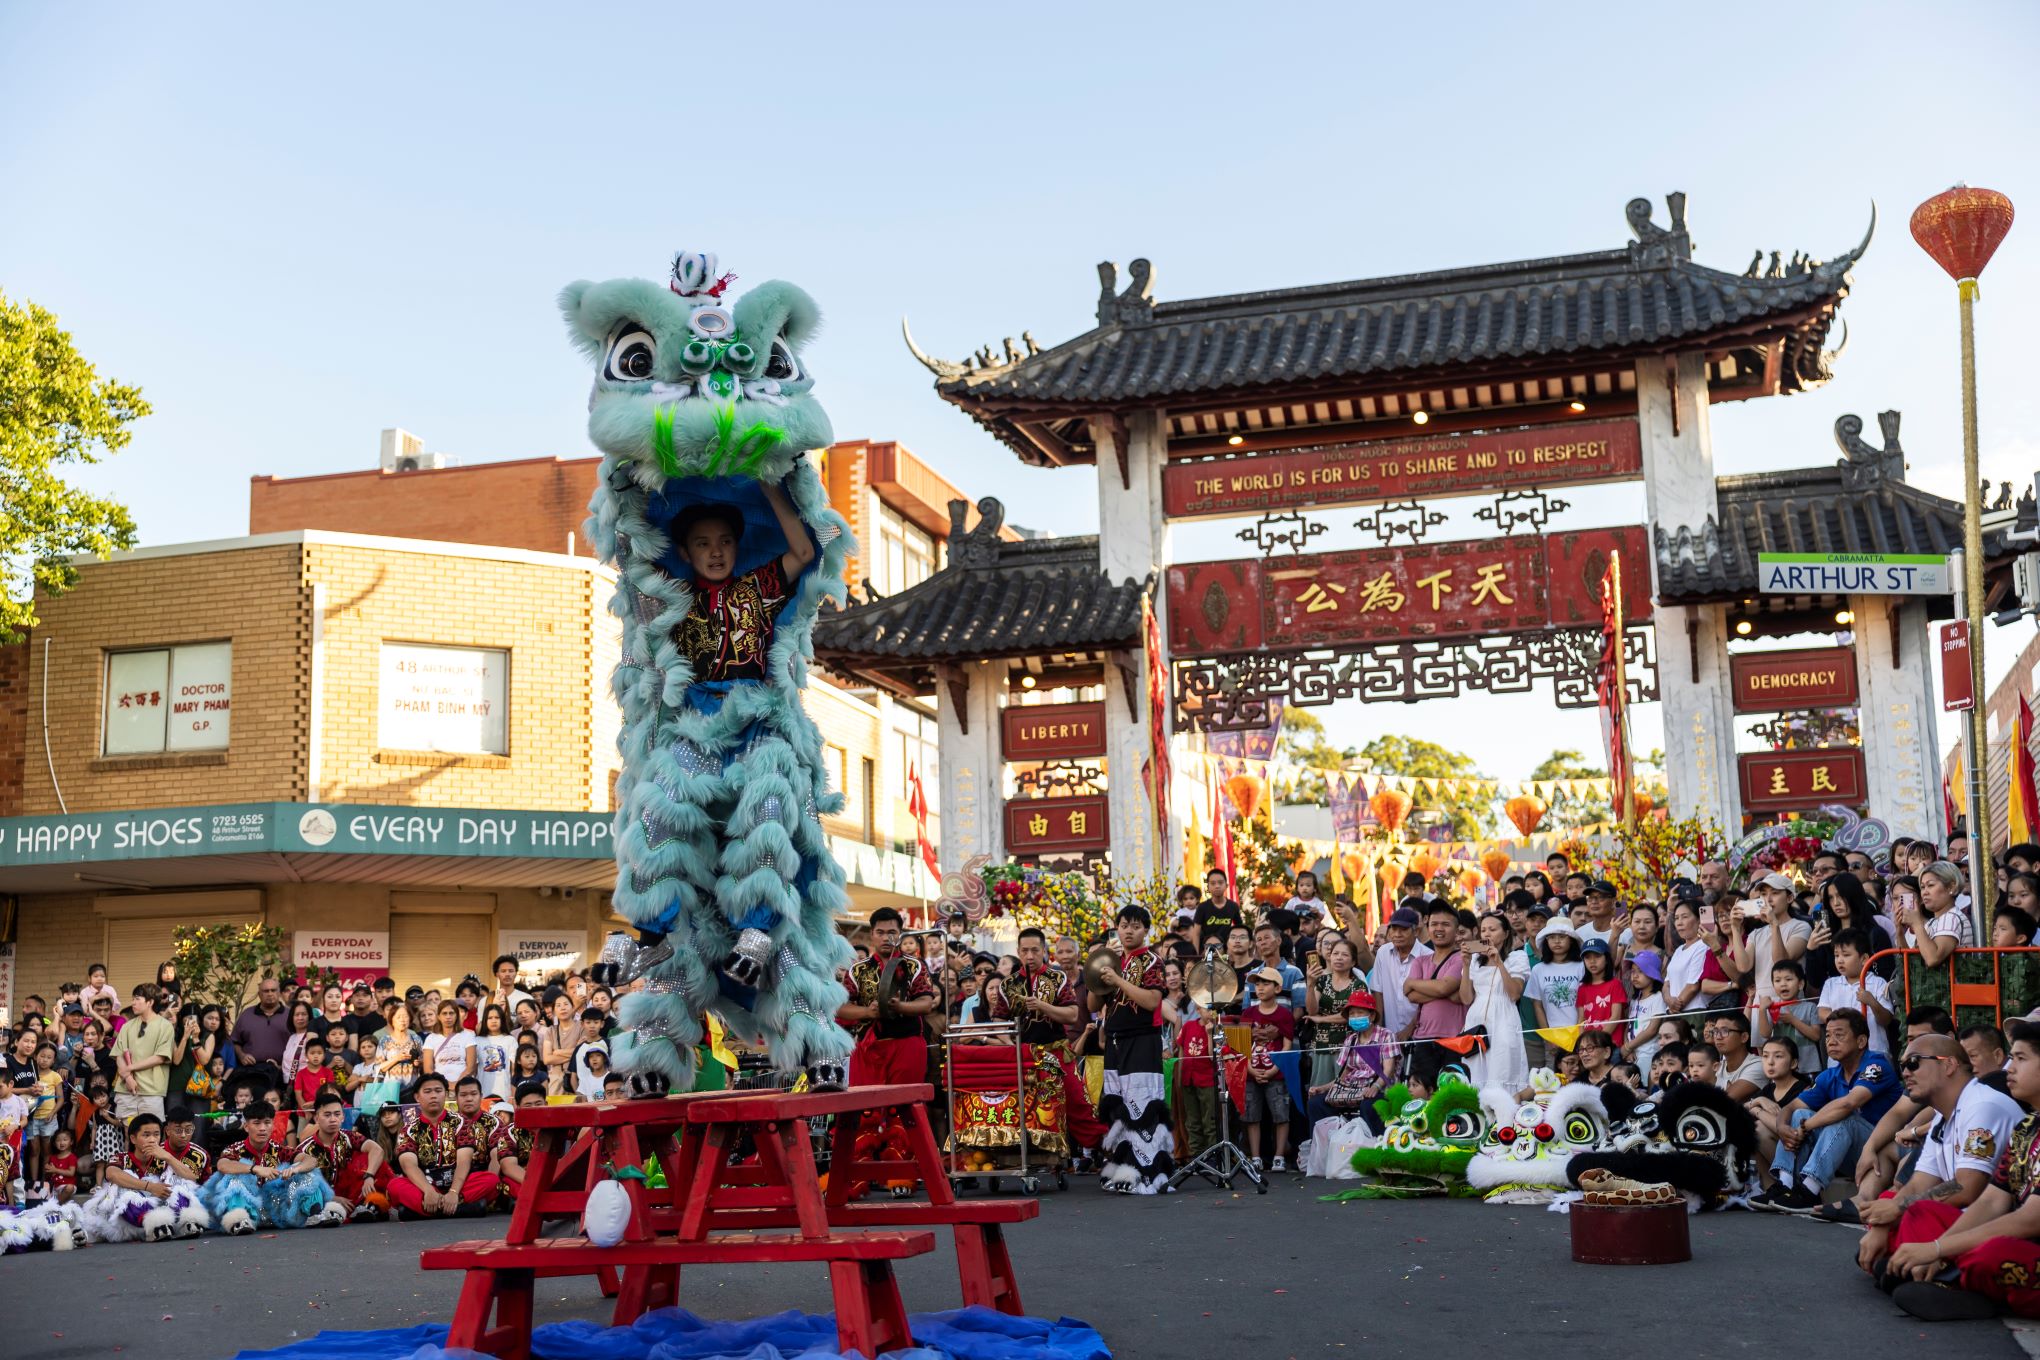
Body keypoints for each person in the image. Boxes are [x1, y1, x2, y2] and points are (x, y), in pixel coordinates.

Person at [1884, 1021, 2040, 1320]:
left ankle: (1963, 1287)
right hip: (2014, 1236)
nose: (2009, 1068)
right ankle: (1948, 1279)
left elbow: (2029, 1219)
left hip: (2021, 1242)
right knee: (1921, 1212)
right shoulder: (2027, 1128)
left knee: (1993, 1255)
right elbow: (1992, 1200)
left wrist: (1939, 1249)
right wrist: (1937, 1250)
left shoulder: (1984, 1105)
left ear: (1949, 1065)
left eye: (2020, 1059)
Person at [1856, 1033, 2024, 1283]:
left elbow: (1967, 1188)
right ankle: (1907, 1266)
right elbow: (1918, 1183)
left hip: (1987, 1224)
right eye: (1902, 1066)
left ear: (1949, 1065)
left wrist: (1899, 1209)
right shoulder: (1942, 1115)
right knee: (1890, 1199)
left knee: (1916, 1209)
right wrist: (1883, 1224)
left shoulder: (1982, 1105)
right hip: (1958, 1219)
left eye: (1914, 1062)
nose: (1906, 1072)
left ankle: (1933, 1274)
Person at [1754, 1009, 1902, 1213]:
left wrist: (1804, 1128)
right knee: (1799, 1115)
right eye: (1828, 1036)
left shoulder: (1876, 1065)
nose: (1831, 1041)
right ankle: (1785, 1186)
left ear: (1861, 1041)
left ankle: (1809, 1190)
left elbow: (1848, 1104)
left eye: (1839, 1035)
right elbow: (1792, 1107)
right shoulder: (1830, 1075)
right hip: (1846, 1153)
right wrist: (1782, 1127)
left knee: (1845, 1119)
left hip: (1878, 1152)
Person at [1096, 905, 1174, 1194]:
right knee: (1120, 1107)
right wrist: (1098, 969)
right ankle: (1123, 1170)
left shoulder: (1152, 961)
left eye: (1136, 926)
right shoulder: (1113, 960)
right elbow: (1093, 1005)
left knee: (1142, 1108)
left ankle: (1149, 1174)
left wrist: (1117, 980)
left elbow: (1153, 1001)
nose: (1128, 930)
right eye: (1124, 925)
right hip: (1115, 1041)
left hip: (1143, 1040)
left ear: (1146, 931)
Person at [986, 926, 1080, 1169]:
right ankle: (1035, 1155)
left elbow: (1072, 1015)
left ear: (1044, 952)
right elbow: (998, 1022)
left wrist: (1042, 1006)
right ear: (1017, 951)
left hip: (1055, 1051)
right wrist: (1009, 1043)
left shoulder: (1057, 978)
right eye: (1024, 950)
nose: (1029, 956)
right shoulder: (1008, 984)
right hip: (1024, 1055)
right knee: (1028, 1107)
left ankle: (1082, 1152)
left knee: (1075, 1102)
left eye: (1034, 950)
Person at [200, 1098, 343, 1232]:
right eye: (257, 1123)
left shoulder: (278, 1148)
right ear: (246, 1127)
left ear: (273, 1125)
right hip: (249, 1211)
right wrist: (254, 1169)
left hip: (277, 1210)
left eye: (267, 1123)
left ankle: (315, 1213)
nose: (262, 1128)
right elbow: (222, 1165)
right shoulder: (235, 1149)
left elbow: (310, 1160)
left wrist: (295, 1169)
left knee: (308, 1171)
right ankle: (240, 1220)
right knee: (232, 1178)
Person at [838, 907, 938, 1088]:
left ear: (900, 934)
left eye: (892, 932)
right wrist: (868, 1012)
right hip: (868, 1047)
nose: (886, 938)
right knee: (866, 1108)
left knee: (903, 1106)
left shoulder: (915, 966)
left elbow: (926, 1004)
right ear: (872, 934)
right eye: (880, 932)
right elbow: (840, 1008)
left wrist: (899, 1007)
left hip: (907, 1045)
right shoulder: (857, 969)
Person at [76, 1111, 210, 1242]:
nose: (152, 1139)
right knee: (122, 1192)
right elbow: (112, 1174)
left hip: (161, 1207)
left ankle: (178, 1224)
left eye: (156, 1134)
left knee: (180, 1185)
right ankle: (153, 1225)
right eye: (146, 1135)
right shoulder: (122, 1157)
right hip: (129, 1219)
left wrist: (168, 1157)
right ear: (133, 1138)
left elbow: (191, 1177)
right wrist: (149, 1187)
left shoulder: (163, 1158)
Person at [388, 1072, 498, 1219]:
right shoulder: (408, 1129)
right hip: (426, 1186)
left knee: (492, 1180)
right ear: (417, 1097)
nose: (433, 1096)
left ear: (445, 1094)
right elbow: (409, 1165)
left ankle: (425, 1211)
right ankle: (463, 1209)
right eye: (427, 1091)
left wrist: (453, 1192)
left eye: (438, 1091)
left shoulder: (462, 1122)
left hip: (459, 1185)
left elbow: (464, 1161)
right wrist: (429, 1191)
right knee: (394, 1186)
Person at [1731, 872, 1812, 1032]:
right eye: (1763, 894)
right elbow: (1743, 966)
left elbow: (1781, 962)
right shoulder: (1756, 933)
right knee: (1765, 1055)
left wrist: (1774, 924)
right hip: (1762, 1003)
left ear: (1789, 898)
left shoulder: (1801, 926)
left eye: (1775, 893)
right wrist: (1735, 928)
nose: (1768, 899)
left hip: (1790, 1003)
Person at [1458, 911, 1528, 1093]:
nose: (1487, 934)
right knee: (1475, 1073)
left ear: (1505, 934)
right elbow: (1466, 998)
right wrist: (1465, 966)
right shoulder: (1474, 960)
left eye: (1492, 929)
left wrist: (1499, 963)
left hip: (1504, 1017)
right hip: (1476, 1020)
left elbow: (1514, 994)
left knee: (1503, 1069)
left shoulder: (1517, 958)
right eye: (1483, 930)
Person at [1404, 901, 1469, 1088]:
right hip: (1423, 1038)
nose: (1439, 929)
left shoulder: (1461, 958)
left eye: (1446, 924)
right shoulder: (1420, 961)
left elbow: (1443, 988)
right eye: (1434, 924)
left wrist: (1412, 983)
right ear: (1427, 927)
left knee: (1451, 1093)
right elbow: (1411, 996)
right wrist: (1444, 989)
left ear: (1457, 932)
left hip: (1455, 1039)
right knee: (1422, 1093)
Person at [297, 1088, 386, 1221]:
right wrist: (331, 1197)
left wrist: (369, 1176)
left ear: (343, 1117)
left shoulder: (349, 1137)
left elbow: (377, 1150)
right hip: (321, 1198)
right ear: (316, 1118)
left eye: (337, 1114)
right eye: (327, 1115)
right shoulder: (304, 1149)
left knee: (372, 1161)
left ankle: (366, 1206)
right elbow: (301, 1184)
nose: (333, 1119)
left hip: (350, 1195)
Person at [1239, 966, 1296, 1173]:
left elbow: (1287, 1046)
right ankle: (1255, 1157)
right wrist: (1250, 1069)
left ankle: (1279, 1156)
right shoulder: (1248, 1013)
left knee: (1281, 1114)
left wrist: (1273, 1070)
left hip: (1277, 1073)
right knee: (1251, 1116)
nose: (1260, 988)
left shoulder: (1284, 1015)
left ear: (1277, 988)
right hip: (1251, 1073)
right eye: (1257, 984)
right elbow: (1242, 1046)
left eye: (1265, 983)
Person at [1818, 930, 1895, 1057]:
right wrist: (1845, 1022)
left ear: (1864, 958)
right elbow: (1822, 1012)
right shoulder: (1831, 983)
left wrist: (1872, 1002)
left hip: (1874, 1050)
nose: (1840, 960)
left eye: (1846, 955)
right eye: (1836, 955)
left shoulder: (1877, 983)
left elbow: (1886, 1020)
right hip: (1840, 1053)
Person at [1369, 905, 1431, 1047]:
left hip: (1420, 1033)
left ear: (1415, 931)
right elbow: (1378, 991)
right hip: (1388, 1034)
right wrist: (1378, 1030)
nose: (1397, 934)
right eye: (1394, 929)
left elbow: (1428, 1000)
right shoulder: (1383, 953)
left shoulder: (1427, 956)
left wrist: (1409, 1029)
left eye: (1403, 930)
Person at [110, 982, 173, 1120]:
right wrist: (128, 1077)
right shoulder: (127, 1026)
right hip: (126, 1088)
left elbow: (160, 1057)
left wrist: (129, 1069)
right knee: (128, 1133)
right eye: (133, 999)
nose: (133, 1003)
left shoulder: (165, 1026)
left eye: (137, 999)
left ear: (150, 1002)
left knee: (151, 1131)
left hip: (151, 1090)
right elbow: (118, 1055)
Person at [1664, 900, 1734, 1017]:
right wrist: (1668, 1000)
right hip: (1672, 1013)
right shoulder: (1678, 950)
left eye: (1684, 917)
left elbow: (1693, 986)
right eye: (1676, 918)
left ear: (1699, 920)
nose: (1679, 923)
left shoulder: (1704, 945)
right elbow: (1666, 984)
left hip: (1693, 1012)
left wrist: (1673, 1009)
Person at [492, 1080, 552, 1208]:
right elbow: (508, 1167)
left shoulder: (556, 1129)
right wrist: (536, 1184)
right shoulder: (510, 1132)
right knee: (508, 1183)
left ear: (546, 1104)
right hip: (523, 1179)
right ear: (517, 1107)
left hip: (551, 1177)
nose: (534, 1109)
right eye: (528, 1105)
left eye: (538, 1104)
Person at [1767, 960, 1825, 1076]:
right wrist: (1761, 1010)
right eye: (1778, 981)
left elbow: (1816, 1035)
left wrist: (1792, 1020)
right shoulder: (1772, 1008)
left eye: (1788, 979)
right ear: (1773, 985)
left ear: (1800, 984)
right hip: (1781, 1066)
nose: (1783, 984)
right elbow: (1765, 1033)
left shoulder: (1810, 1007)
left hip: (1808, 1066)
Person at [231, 976, 292, 1075]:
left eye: (273, 990)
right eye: (266, 991)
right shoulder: (246, 1015)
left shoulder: (291, 1015)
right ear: (259, 994)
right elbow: (234, 1042)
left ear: (279, 993)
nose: (270, 994)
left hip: (282, 1072)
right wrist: (242, 1056)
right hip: (251, 1071)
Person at [1620, 950, 1668, 1071]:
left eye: (1640, 971)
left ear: (1652, 974)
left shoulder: (1657, 997)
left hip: (1648, 1053)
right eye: (1633, 971)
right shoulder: (1634, 999)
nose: (1634, 976)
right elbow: (1628, 1025)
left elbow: (1652, 1029)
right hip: (1632, 1054)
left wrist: (1628, 1046)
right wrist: (1628, 1048)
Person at [1576, 940, 1627, 1038]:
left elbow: (1615, 1017)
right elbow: (1581, 1019)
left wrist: (1598, 1041)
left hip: (1610, 1043)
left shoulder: (1615, 984)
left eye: (1597, 956)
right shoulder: (1582, 988)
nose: (1592, 961)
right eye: (1587, 957)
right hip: (1589, 1047)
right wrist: (1583, 1044)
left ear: (1607, 959)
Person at [1708, 1012, 1763, 1101]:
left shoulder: (1758, 1065)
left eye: (1725, 1031)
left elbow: (1724, 1100)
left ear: (1744, 1037)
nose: (1718, 1037)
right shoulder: (1717, 1067)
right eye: (1715, 1031)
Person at [423, 1000, 478, 1083]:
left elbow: (471, 1067)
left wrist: (457, 1084)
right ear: (438, 1016)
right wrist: (445, 1084)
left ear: (456, 1015)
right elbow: (427, 1069)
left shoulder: (468, 1035)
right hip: (439, 1087)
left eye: (451, 1013)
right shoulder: (431, 1038)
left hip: (463, 1087)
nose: (448, 1017)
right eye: (444, 1013)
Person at [1194, 868, 1246, 951]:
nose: (1217, 886)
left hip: (1227, 951)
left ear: (1226, 885)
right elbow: (1196, 933)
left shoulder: (1233, 906)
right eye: (1213, 883)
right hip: (1207, 951)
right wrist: (1196, 955)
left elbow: (1240, 929)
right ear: (1208, 887)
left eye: (1220, 883)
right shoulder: (1202, 907)